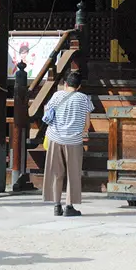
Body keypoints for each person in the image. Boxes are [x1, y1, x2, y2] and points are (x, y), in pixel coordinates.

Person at [42, 71, 94, 217]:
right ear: (79, 86)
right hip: (74, 141)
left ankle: (56, 205)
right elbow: (87, 124)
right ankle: (69, 206)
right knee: (73, 174)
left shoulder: (57, 95)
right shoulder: (84, 99)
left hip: (55, 138)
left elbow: (47, 113)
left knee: (56, 173)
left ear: (65, 84)